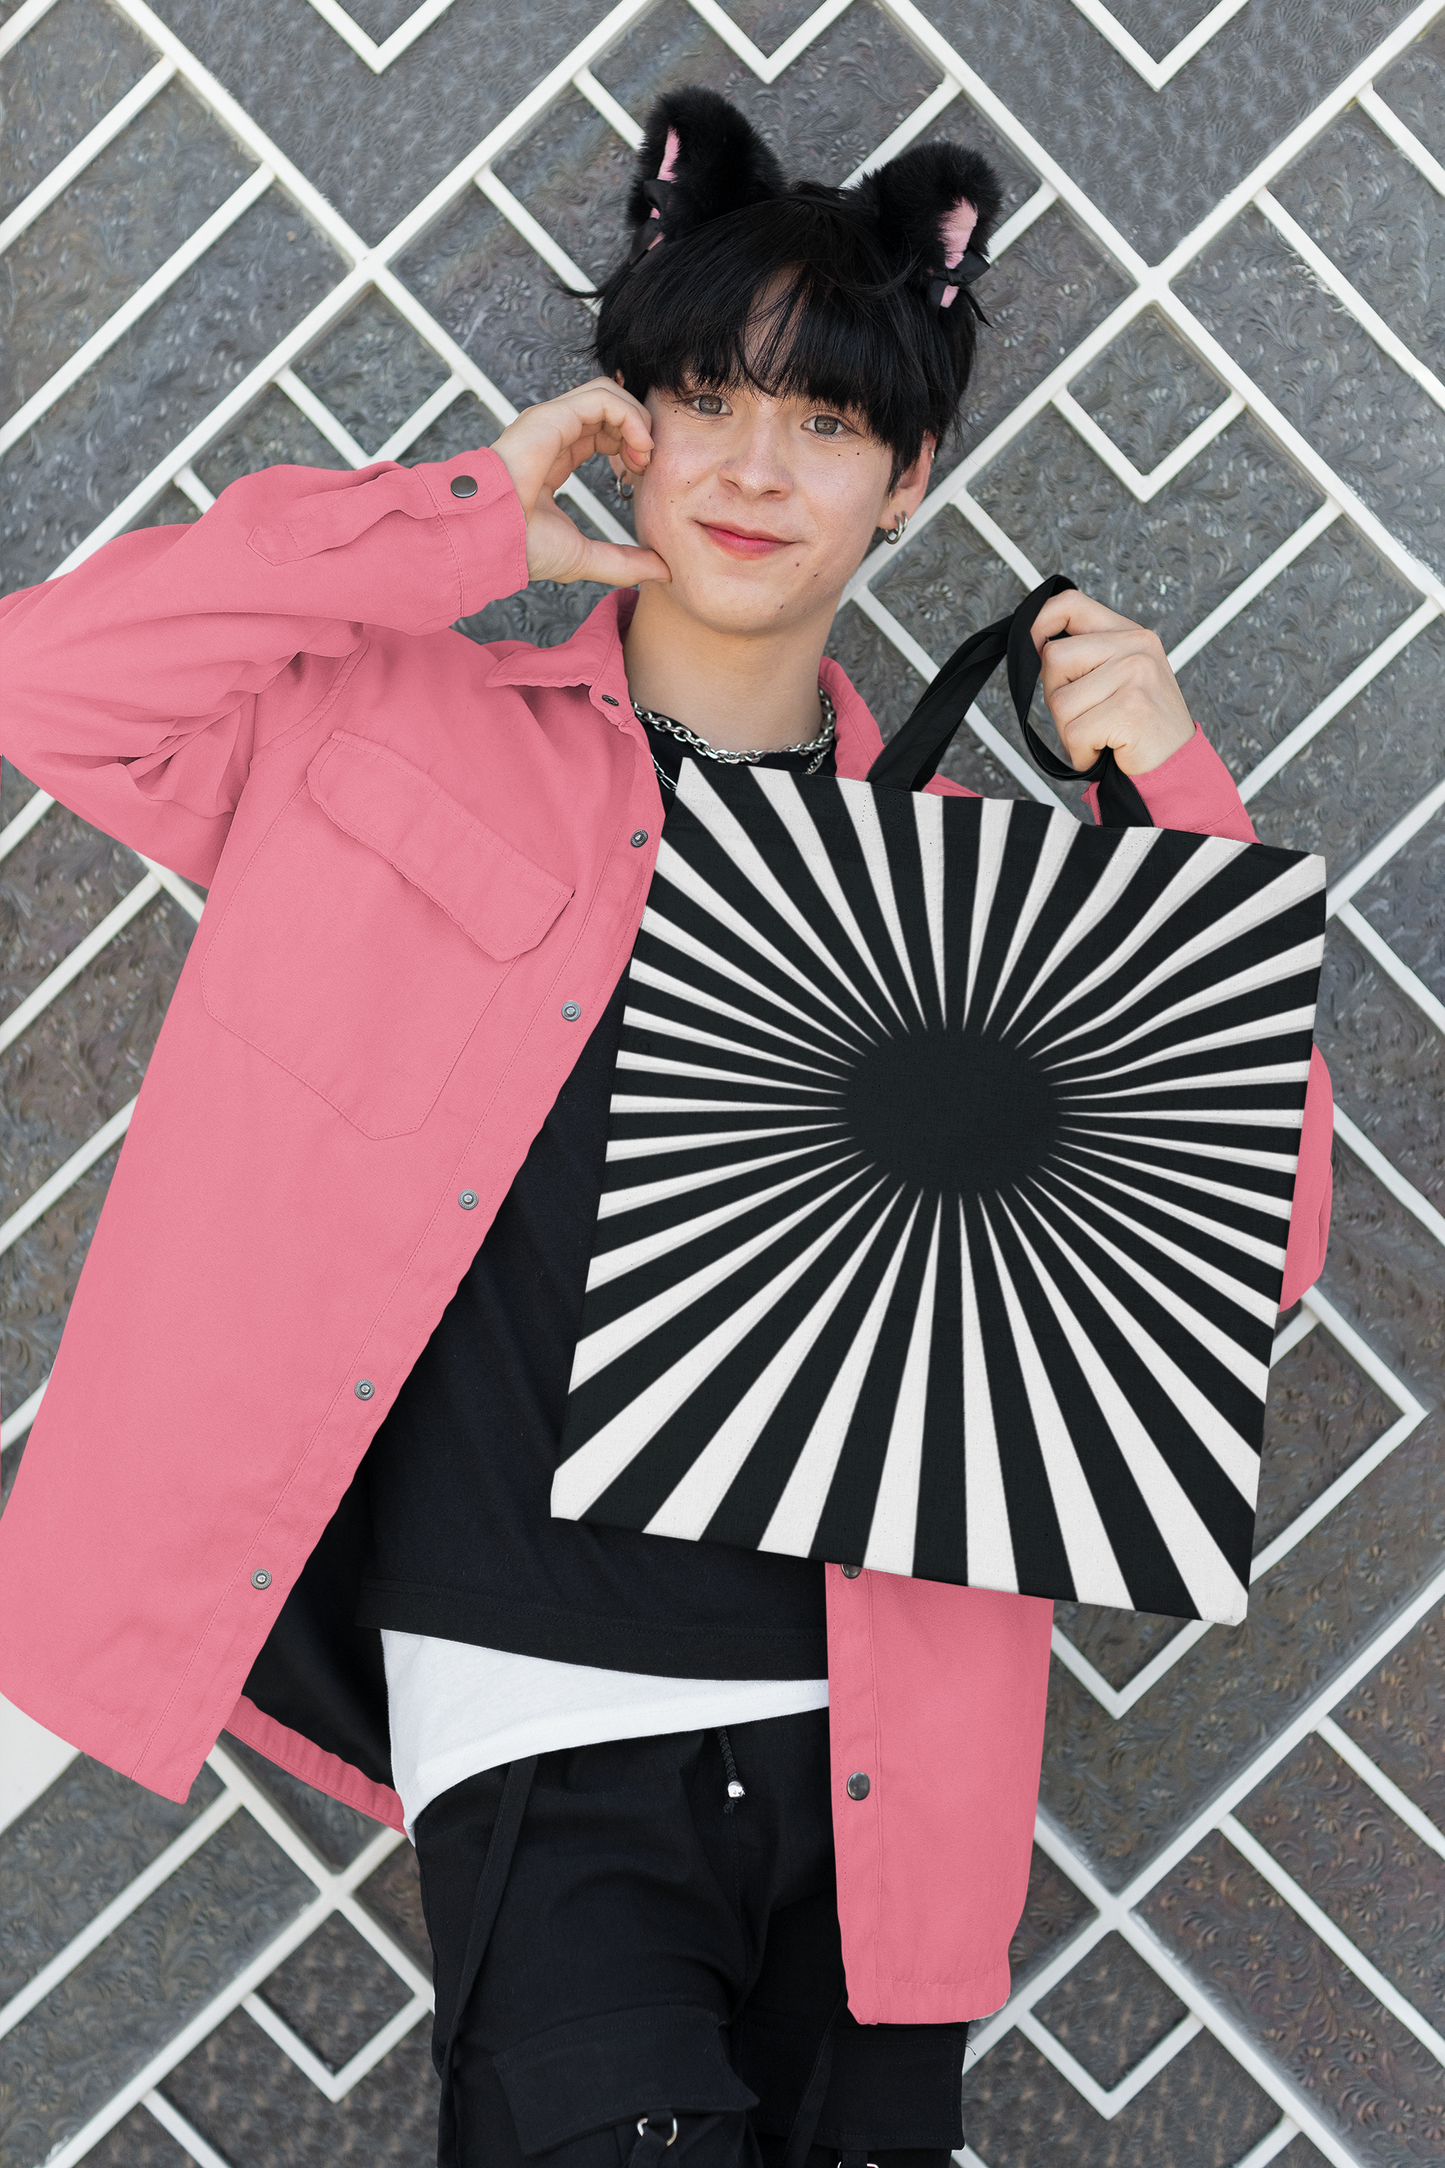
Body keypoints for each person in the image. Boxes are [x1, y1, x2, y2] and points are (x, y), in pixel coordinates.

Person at [0, 86, 1332, 2168]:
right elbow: (53, 684)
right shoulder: (384, 719)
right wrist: (453, 522)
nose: (750, 466)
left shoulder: (980, 886)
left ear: (905, 479)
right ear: (623, 415)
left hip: (893, 1756)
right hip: (535, 1709)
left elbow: (1246, 1251)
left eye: (820, 422)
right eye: (704, 394)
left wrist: (1169, 803)